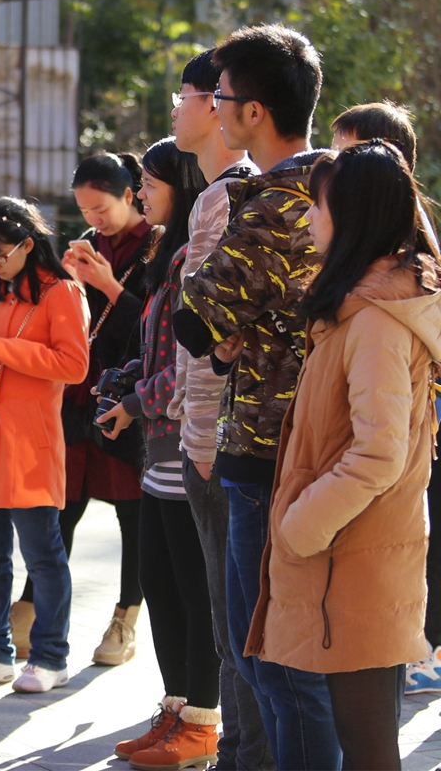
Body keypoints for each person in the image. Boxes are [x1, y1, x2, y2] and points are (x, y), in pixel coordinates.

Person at [173, 24, 340, 770]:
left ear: (252, 112)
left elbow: (194, 320)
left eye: (221, 94)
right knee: (285, 655)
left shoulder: (275, 201)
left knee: (272, 658)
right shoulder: (338, 185)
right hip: (311, 446)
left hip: (268, 450)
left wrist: (227, 330)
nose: (213, 106)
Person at [245, 141, 440, 771]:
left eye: (319, 206)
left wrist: (301, 523)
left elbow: (379, 451)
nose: (308, 218)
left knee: (368, 747)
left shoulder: (377, 321)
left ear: (353, 216)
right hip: (353, 554)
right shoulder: (362, 307)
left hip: (356, 557)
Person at [98, 138, 221, 769]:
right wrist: (125, 381)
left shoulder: (198, 252)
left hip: (190, 443)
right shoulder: (165, 251)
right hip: (159, 448)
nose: (140, 192)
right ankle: (174, 709)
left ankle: (202, 720)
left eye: (149, 182)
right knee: (159, 581)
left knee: (194, 589)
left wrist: (135, 401)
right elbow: (155, 353)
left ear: (183, 185)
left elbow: (191, 364)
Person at [166, 49, 270, 770]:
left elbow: (213, 337)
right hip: (213, 436)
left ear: (219, 105)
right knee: (229, 624)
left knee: (237, 629)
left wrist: (201, 437)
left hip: (224, 442)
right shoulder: (217, 195)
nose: (175, 109)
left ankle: (242, 755)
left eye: (186, 94)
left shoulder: (229, 198)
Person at [0, 197, 90, 694]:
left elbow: (74, 365)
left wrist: (1, 349)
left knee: (43, 556)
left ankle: (51, 657)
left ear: (28, 245)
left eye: (0, 253)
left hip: (29, 442)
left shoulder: (62, 292)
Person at [330, 103, 441, 696]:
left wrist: (300, 524)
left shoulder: (403, 257)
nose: (333, 170)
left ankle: (425, 648)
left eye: (347, 155)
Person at [44, 152, 155, 667]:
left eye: (101, 208)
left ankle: (125, 618)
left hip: (126, 397)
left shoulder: (157, 244)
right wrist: (68, 286)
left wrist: (109, 285)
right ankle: (36, 609)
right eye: (85, 210)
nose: (94, 220)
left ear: (130, 195)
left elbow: (154, 330)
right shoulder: (89, 246)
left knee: (133, 515)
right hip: (79, 394)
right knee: (62, 506)